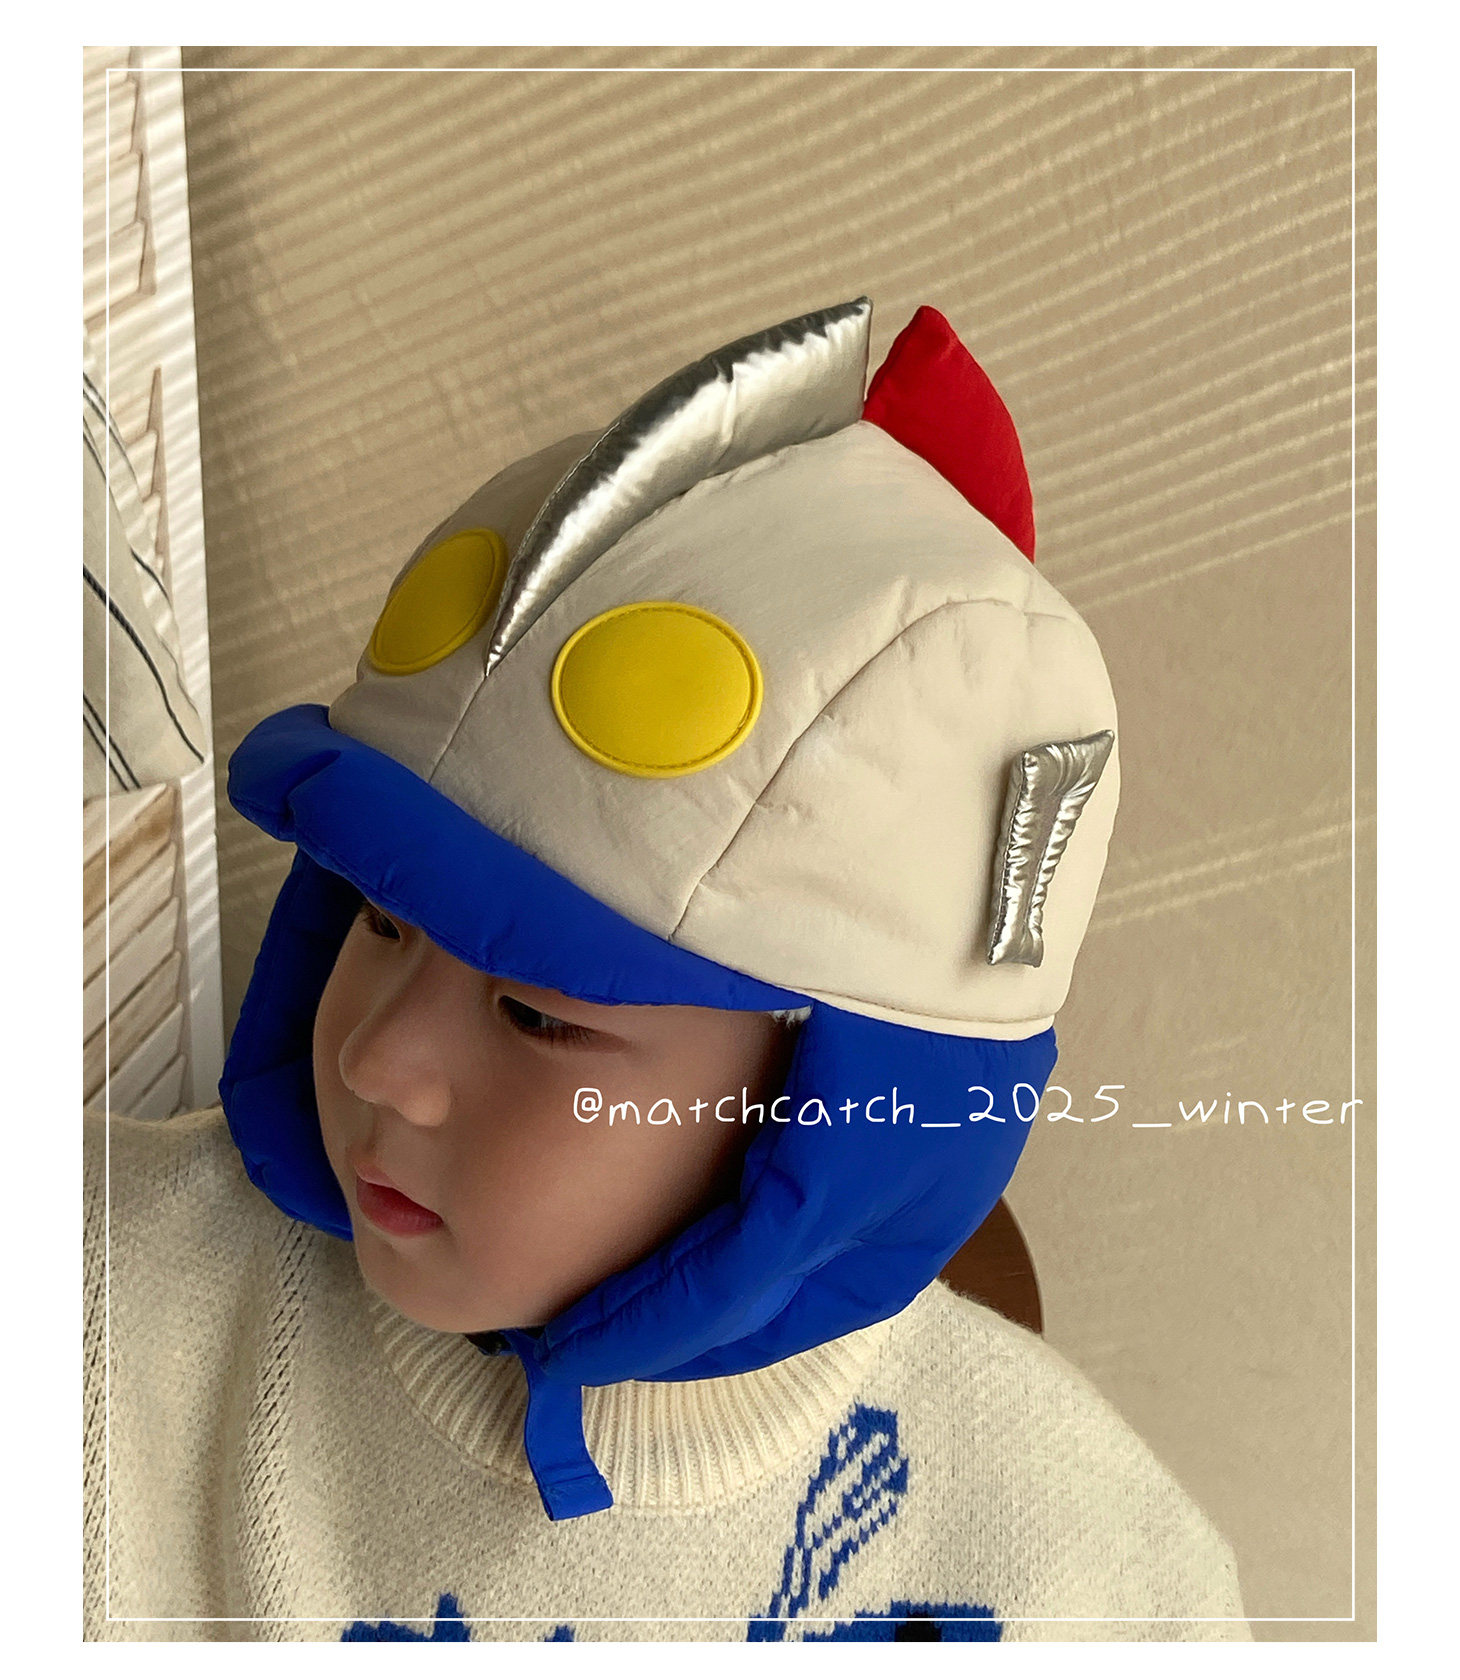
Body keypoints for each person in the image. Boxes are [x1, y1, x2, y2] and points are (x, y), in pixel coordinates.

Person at [83, 298, 1252, 1642]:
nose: (378, 1061)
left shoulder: (1088, 1571)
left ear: (825, 1124)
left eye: (534, 1014)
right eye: (380, 922)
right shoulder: (108, 1306)